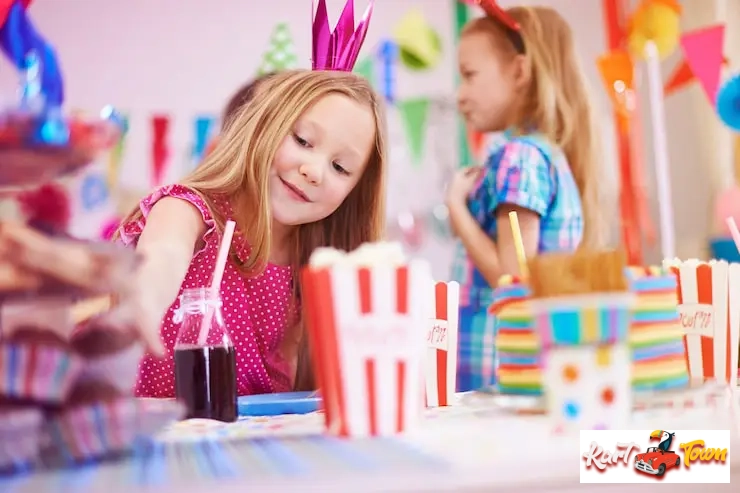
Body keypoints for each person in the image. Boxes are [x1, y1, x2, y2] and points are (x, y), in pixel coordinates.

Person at [116, 70, 386, 397]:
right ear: (262, 126)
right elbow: (164, 252)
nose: (313, 172)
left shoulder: (314, 262)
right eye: (302, 141)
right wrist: (144, 302)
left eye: (340, 167)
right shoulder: (189, 208)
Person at [448, 6, 606, 391]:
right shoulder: (547, 155)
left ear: (520, 72)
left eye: (469, 76)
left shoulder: (518, 157)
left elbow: (513, 278)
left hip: (498, 363)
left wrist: (458, 210)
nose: (460, 95)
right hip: (523, 360)